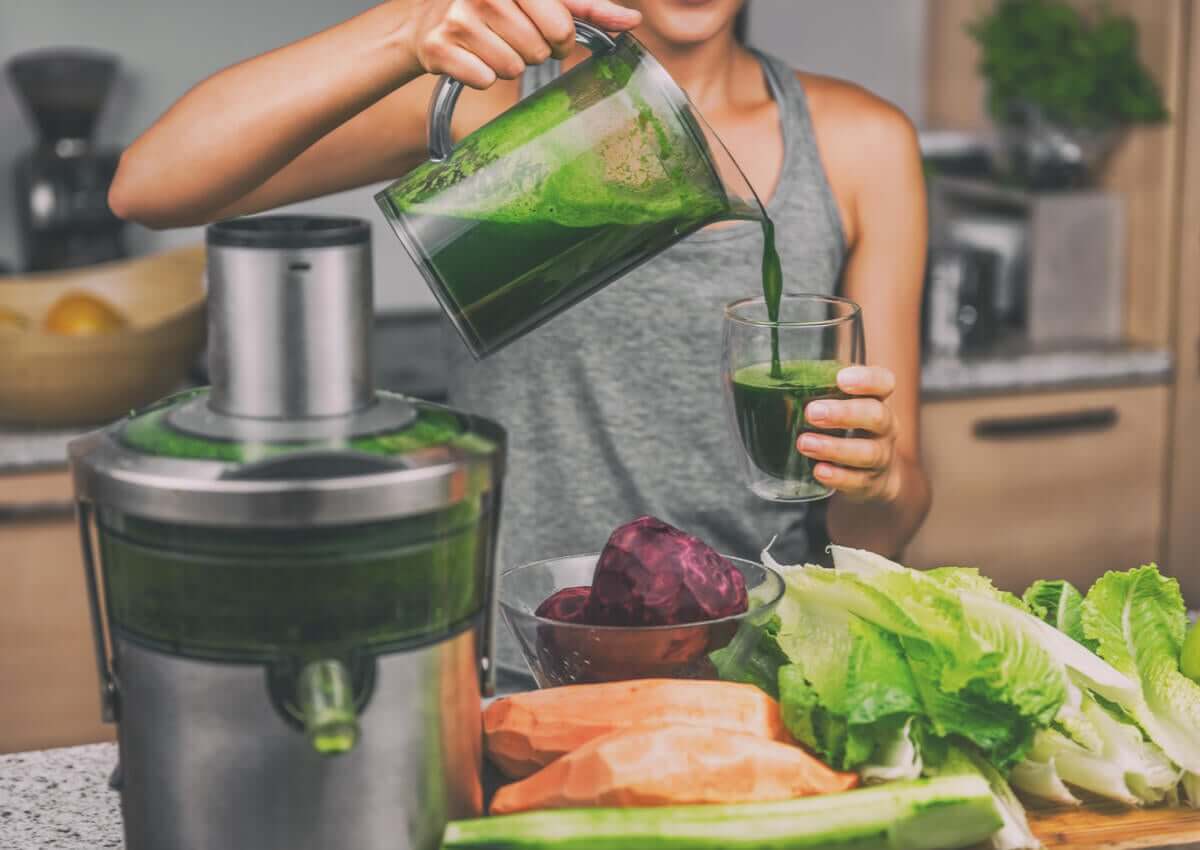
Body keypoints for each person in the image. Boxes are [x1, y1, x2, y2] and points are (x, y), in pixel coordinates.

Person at [109, 0, 931, 671]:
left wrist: (878, 481)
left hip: (761, 663)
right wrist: (408, 27)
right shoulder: (488, 100)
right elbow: (151, 185)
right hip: (521, 662)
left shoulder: (861, 146)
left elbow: (884, 529)